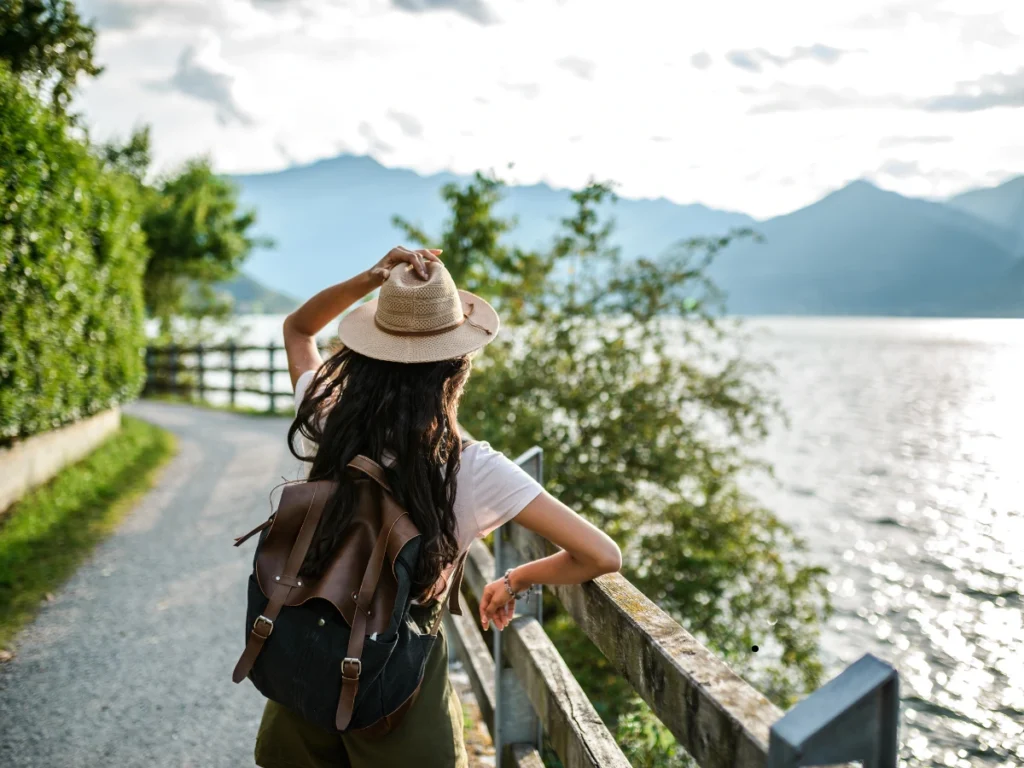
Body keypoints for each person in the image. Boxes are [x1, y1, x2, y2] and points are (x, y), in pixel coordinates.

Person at [254, 246, 622, 768]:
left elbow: (298, 329)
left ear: (364, 352)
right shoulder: (473, 468)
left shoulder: (328, 417)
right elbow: (600, 554)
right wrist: (513, 580)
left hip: (306, 664)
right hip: (398, 684)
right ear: (457, 366)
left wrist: (372, 277)